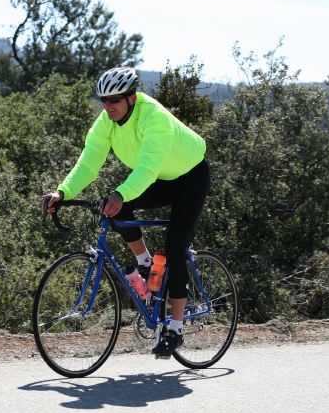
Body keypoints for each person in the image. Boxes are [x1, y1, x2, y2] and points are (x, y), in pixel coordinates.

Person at [41, 67, 210, 357]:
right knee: (115, 209)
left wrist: (121, 194)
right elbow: (88, 164)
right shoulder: (106, 122)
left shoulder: (154, 117)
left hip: (190, 179)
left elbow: (146, 169)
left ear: (131, 97)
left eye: (114, 100)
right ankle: (144, 263)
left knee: (173, 247)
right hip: (161, 179)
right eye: (103, 101)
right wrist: (62, 192)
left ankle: (176, 328)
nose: (108, 107)